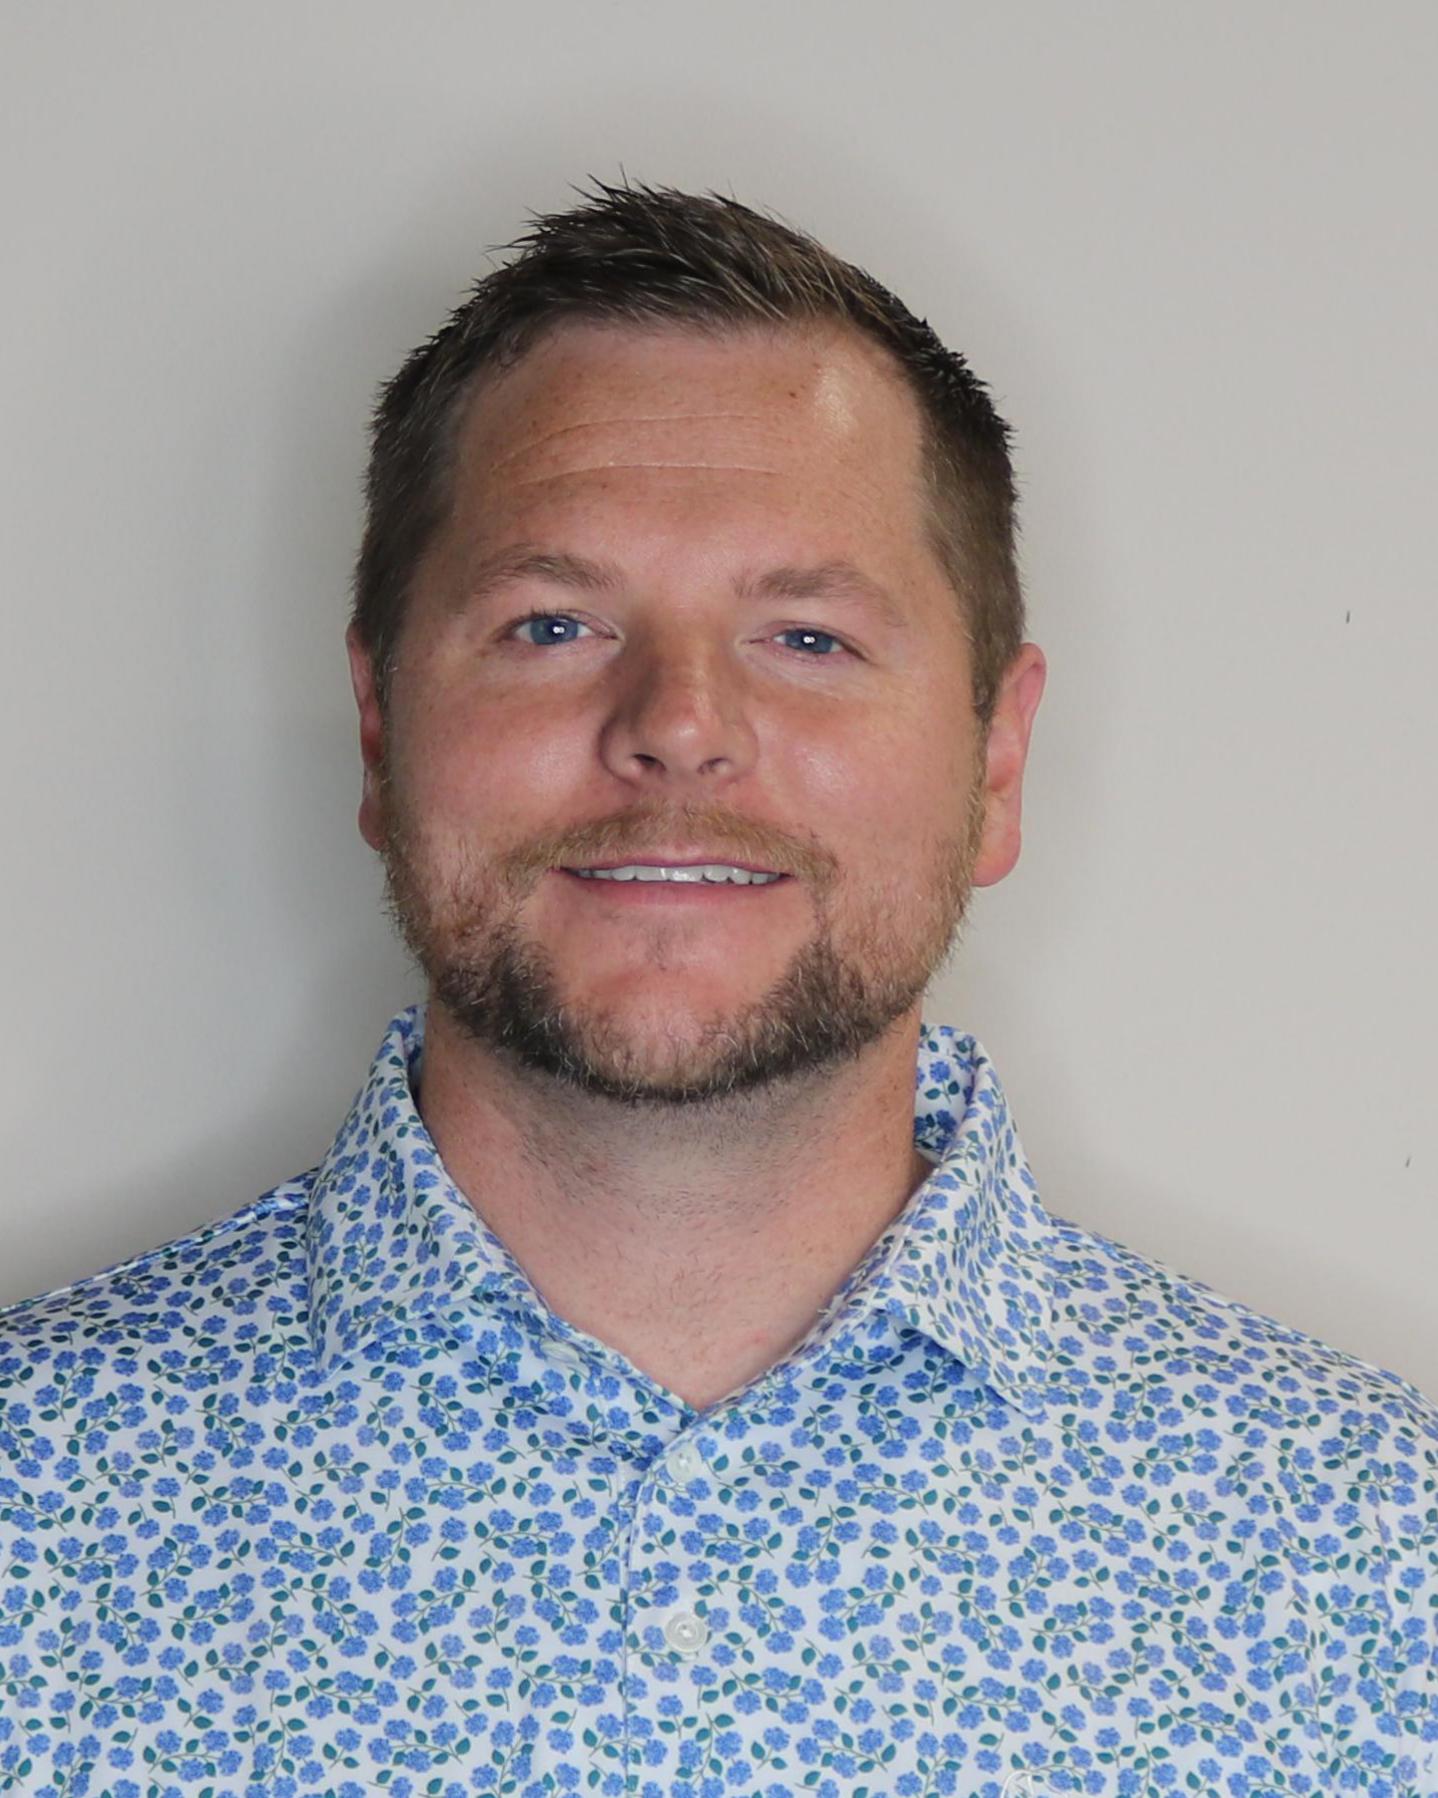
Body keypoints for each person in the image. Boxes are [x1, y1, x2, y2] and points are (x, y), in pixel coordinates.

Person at [0, 181, 1432, 1798]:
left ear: (995, 759)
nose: (678, 726)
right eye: (551, 623)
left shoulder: (1375, 1555)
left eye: (806, 637)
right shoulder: (27, 1515)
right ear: (382, 731)